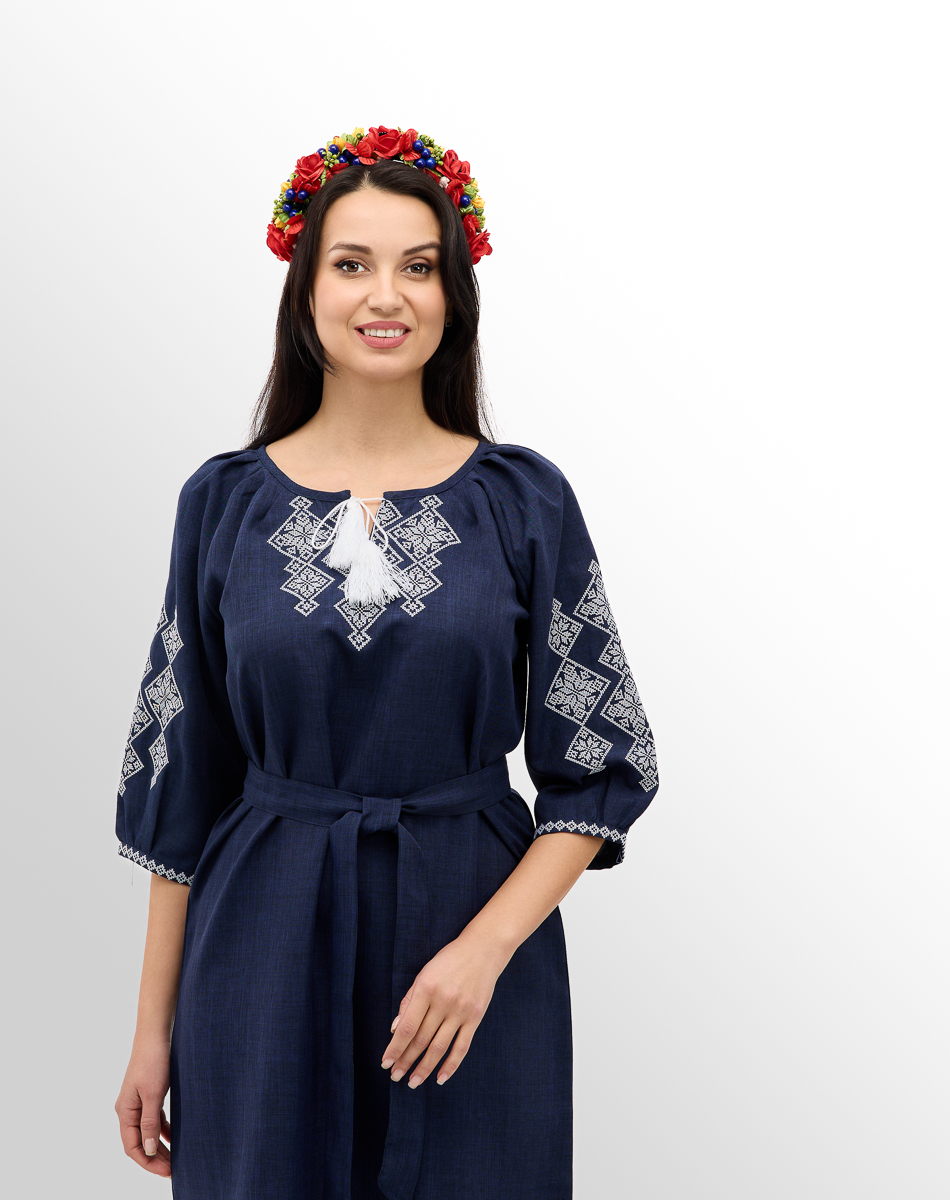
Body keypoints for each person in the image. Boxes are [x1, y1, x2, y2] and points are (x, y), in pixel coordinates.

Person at [113, 124, 660, 1200]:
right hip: (259, 944)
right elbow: (181, 786)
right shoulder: (223, 503)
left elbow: (598, 767)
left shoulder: (523, 502)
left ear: (454, 293)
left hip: (471, 938)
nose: (386, 295)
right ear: (306, 288)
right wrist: (151, 1033)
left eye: (419, 266)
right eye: (353, 263)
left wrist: (482, 953)